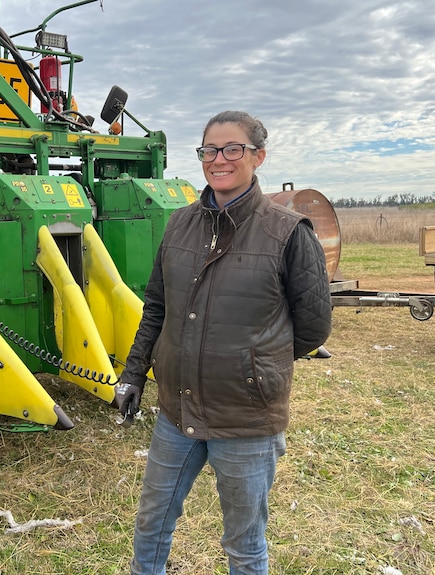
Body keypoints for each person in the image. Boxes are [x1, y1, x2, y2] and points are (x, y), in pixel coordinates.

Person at [116, 110, 332, 575]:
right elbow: (157, 308)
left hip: (245, 418)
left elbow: (313, 327)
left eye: (232, 149)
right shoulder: (178, 226)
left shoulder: (289, 233)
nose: (219, 159)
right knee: (152, 522)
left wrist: (251, 365)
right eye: (209, 150)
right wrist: (133, 374)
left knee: (244, 540)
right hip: (176, 411)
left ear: (258, 156)